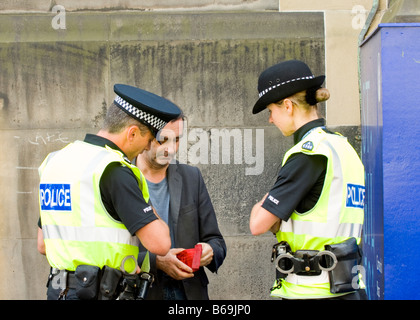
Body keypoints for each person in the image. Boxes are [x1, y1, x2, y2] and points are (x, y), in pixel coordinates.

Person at [37, 84, 182, 300]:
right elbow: (160, 243)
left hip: (59, 291)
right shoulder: (114, 170)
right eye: (149, 139)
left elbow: (42, 243)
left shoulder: (56, 161)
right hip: (102, 292)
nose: (148, 146)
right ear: (132, 133)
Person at [249, 60, 366, 300]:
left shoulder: (308, 154)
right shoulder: (343, 148)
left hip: (311, 290)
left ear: (288, 106)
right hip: (350, 288)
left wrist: (259, 206)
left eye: (272, 111)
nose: (271, 119)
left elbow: (258, 224)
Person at [134, 116, 227, 300]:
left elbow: (216, 241)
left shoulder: (191, 177)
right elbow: (110, 253)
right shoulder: (122, 179)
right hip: (143, 291)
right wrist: (156, 262)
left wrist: (210, 250)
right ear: (145, 137)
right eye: (163, 139)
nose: (171, 148)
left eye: (176, 139)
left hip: (189, 293)